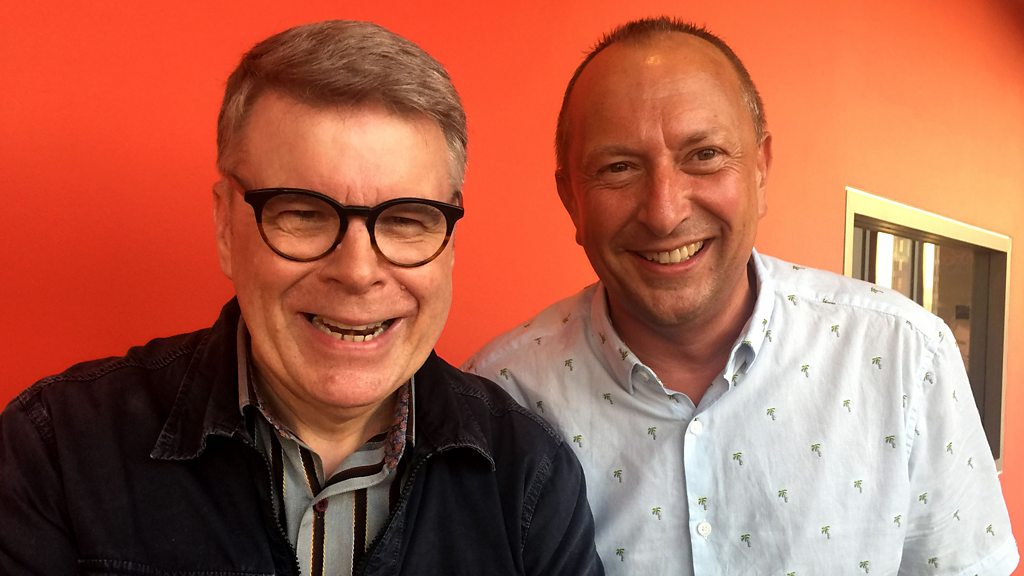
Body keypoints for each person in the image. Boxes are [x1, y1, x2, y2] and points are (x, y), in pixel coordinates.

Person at [0, 21, 602, 576]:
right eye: (305, 214)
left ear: (449, 242)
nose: (358, 272)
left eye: (405, 220)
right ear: (225, 227)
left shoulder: (529, 477)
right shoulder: (57, 452)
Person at [467, 16, 1018, 575]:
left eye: (704, 155)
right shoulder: (499, 397)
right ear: (571, 199)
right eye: (619, 167)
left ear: (760, 169)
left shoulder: (905, 355)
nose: (664, 212)